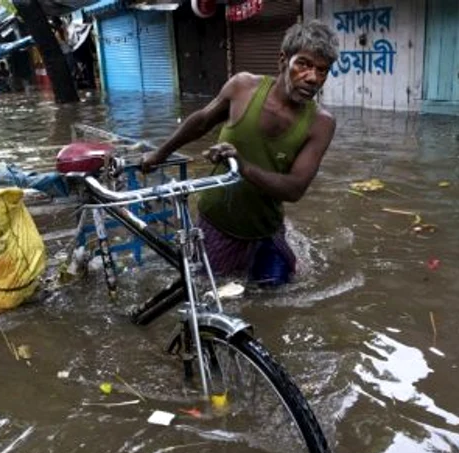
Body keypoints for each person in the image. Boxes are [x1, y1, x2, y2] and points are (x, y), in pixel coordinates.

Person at [141, 20, 339, 286]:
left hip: (266, 229)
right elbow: (201, 121)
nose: (313, 78)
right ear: (283, 59)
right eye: (303, 64)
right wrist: (159, 154)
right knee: (208, 291)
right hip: (218, 223)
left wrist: (242, 165)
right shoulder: (243, 88)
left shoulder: (321, 123)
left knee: (276, 294)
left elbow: (294, 189)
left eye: (322, 70)